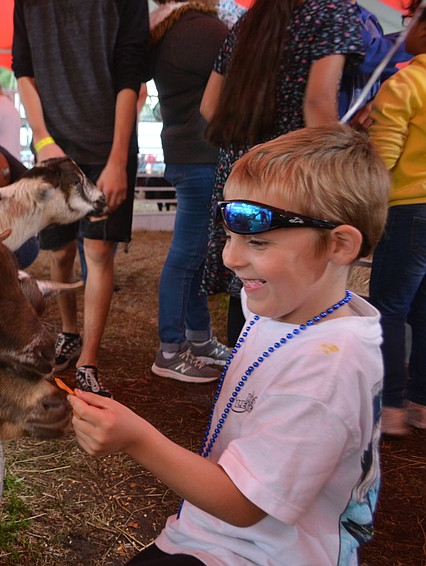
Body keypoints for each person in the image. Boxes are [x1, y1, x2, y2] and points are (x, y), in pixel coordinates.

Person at [69, 124, 389, 565]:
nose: (230, 257)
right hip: (212, 533)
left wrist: (136, 437)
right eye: (230, 235)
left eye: (257, 241)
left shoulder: (328, 368)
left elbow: (244, 504)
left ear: (340, 245)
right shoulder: (284, 303)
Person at [199, 0, 363, 346]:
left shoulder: (250, 20)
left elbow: (209, 105)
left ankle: (245, 385)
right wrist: (334, 172)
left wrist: (251, 147)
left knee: (246, 283)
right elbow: (318, 102)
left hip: (240, 175)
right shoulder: (332, 11)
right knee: (293, 285)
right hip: (294, 181)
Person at [12, 0, 147, 397]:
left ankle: (89, 360)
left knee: (99, 252)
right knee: (59, 251)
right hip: (54, 145)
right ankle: (69, 333)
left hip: (107, 145)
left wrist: (118, 159)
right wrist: (43, 140)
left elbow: (131, 75)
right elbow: (24, 70)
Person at [146, 0, 230, 384]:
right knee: (188, 254)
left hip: (186, 151)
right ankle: (170, 349)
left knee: (193, 255)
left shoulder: (171, 29)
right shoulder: (205, 29)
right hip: (202, 154)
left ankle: (197, 339)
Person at [367, 0, 426, 437]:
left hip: (407, 213)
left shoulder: (405, 84)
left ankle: (389, 406)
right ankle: (422, 402)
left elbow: (382, 162)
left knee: (387, 308)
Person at [339, 0, 412, 125]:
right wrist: (412, 39)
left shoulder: (367, 18)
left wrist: (378, 101)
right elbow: (363, 58)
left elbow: (381, 71)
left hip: (351, 132)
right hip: (326, 126)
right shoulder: (331, 9)